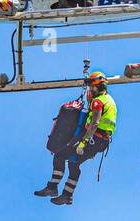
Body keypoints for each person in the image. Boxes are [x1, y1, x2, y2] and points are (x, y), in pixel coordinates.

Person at [35, 72, 117, 205]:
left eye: (91, 87)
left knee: (59, 156)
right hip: (102, 142)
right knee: (74, 163)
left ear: (97, 86)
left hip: (92, 138)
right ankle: (67, 195)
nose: (90, 90)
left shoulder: (98, 101)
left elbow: (94, 123)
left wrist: (83, 142)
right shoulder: (110, 100)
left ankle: (52, 187)